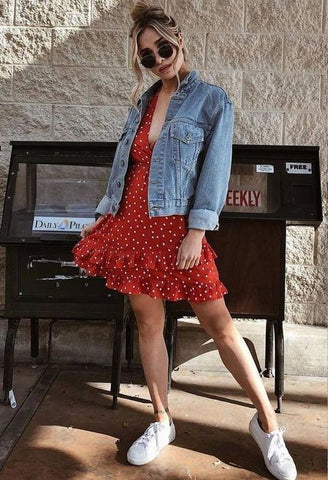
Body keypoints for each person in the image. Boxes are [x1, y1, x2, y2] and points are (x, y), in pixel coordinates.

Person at [72, 2, 297, 479]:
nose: (158, 60)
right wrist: (103, 215)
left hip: (177, 227)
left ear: (180, 40)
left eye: (163, 48)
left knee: (220, 325)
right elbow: (127, 171)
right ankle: (161, 419)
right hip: (133, 225)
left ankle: (267, 425)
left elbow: (214, 171)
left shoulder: (212, 100)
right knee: (147, 324)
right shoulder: (142, 103)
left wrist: (197, 229)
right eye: (147, 56)